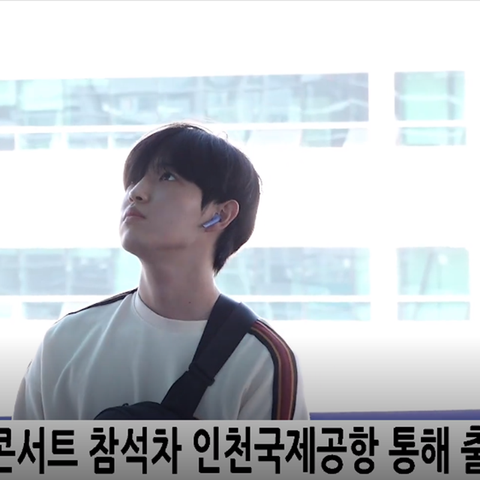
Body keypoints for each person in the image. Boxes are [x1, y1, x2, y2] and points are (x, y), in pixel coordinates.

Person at [13, 122, 309, 420]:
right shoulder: (66, 340)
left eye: (167, 176)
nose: (136, 192)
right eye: (134, 179)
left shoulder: (260, 359)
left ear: (220, 214)